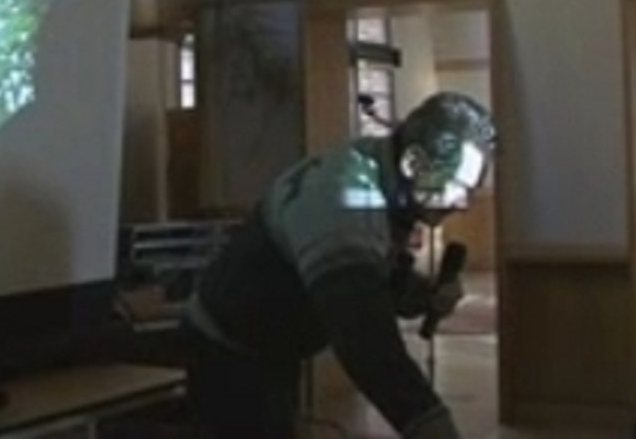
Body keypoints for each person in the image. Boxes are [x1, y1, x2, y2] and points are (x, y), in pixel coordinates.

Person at [181, 91, 495, 439]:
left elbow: (379, 284)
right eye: (456, 185)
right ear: (414, 164)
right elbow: (367, 344)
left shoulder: (381, 171)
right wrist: (435, 427)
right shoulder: (344, 199)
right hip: (229, 350)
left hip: (269, 344)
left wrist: (424, 295)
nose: (464, 204)